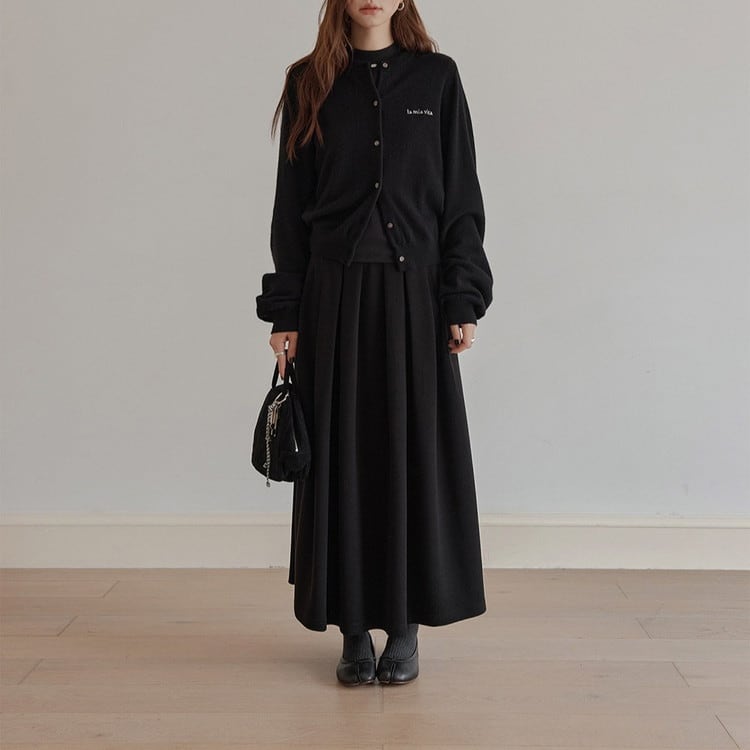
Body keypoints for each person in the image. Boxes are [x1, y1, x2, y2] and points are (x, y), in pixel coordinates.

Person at [256, 0, 493, 686]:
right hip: (331, 299)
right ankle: (353, 629)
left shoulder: (437, 79)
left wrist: (462, 296)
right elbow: (290, 207)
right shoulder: (308, 81)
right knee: (342, 459)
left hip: (415, 299)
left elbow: (461, 199)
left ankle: (405, 625)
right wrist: (286, 311)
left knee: (410, 455)